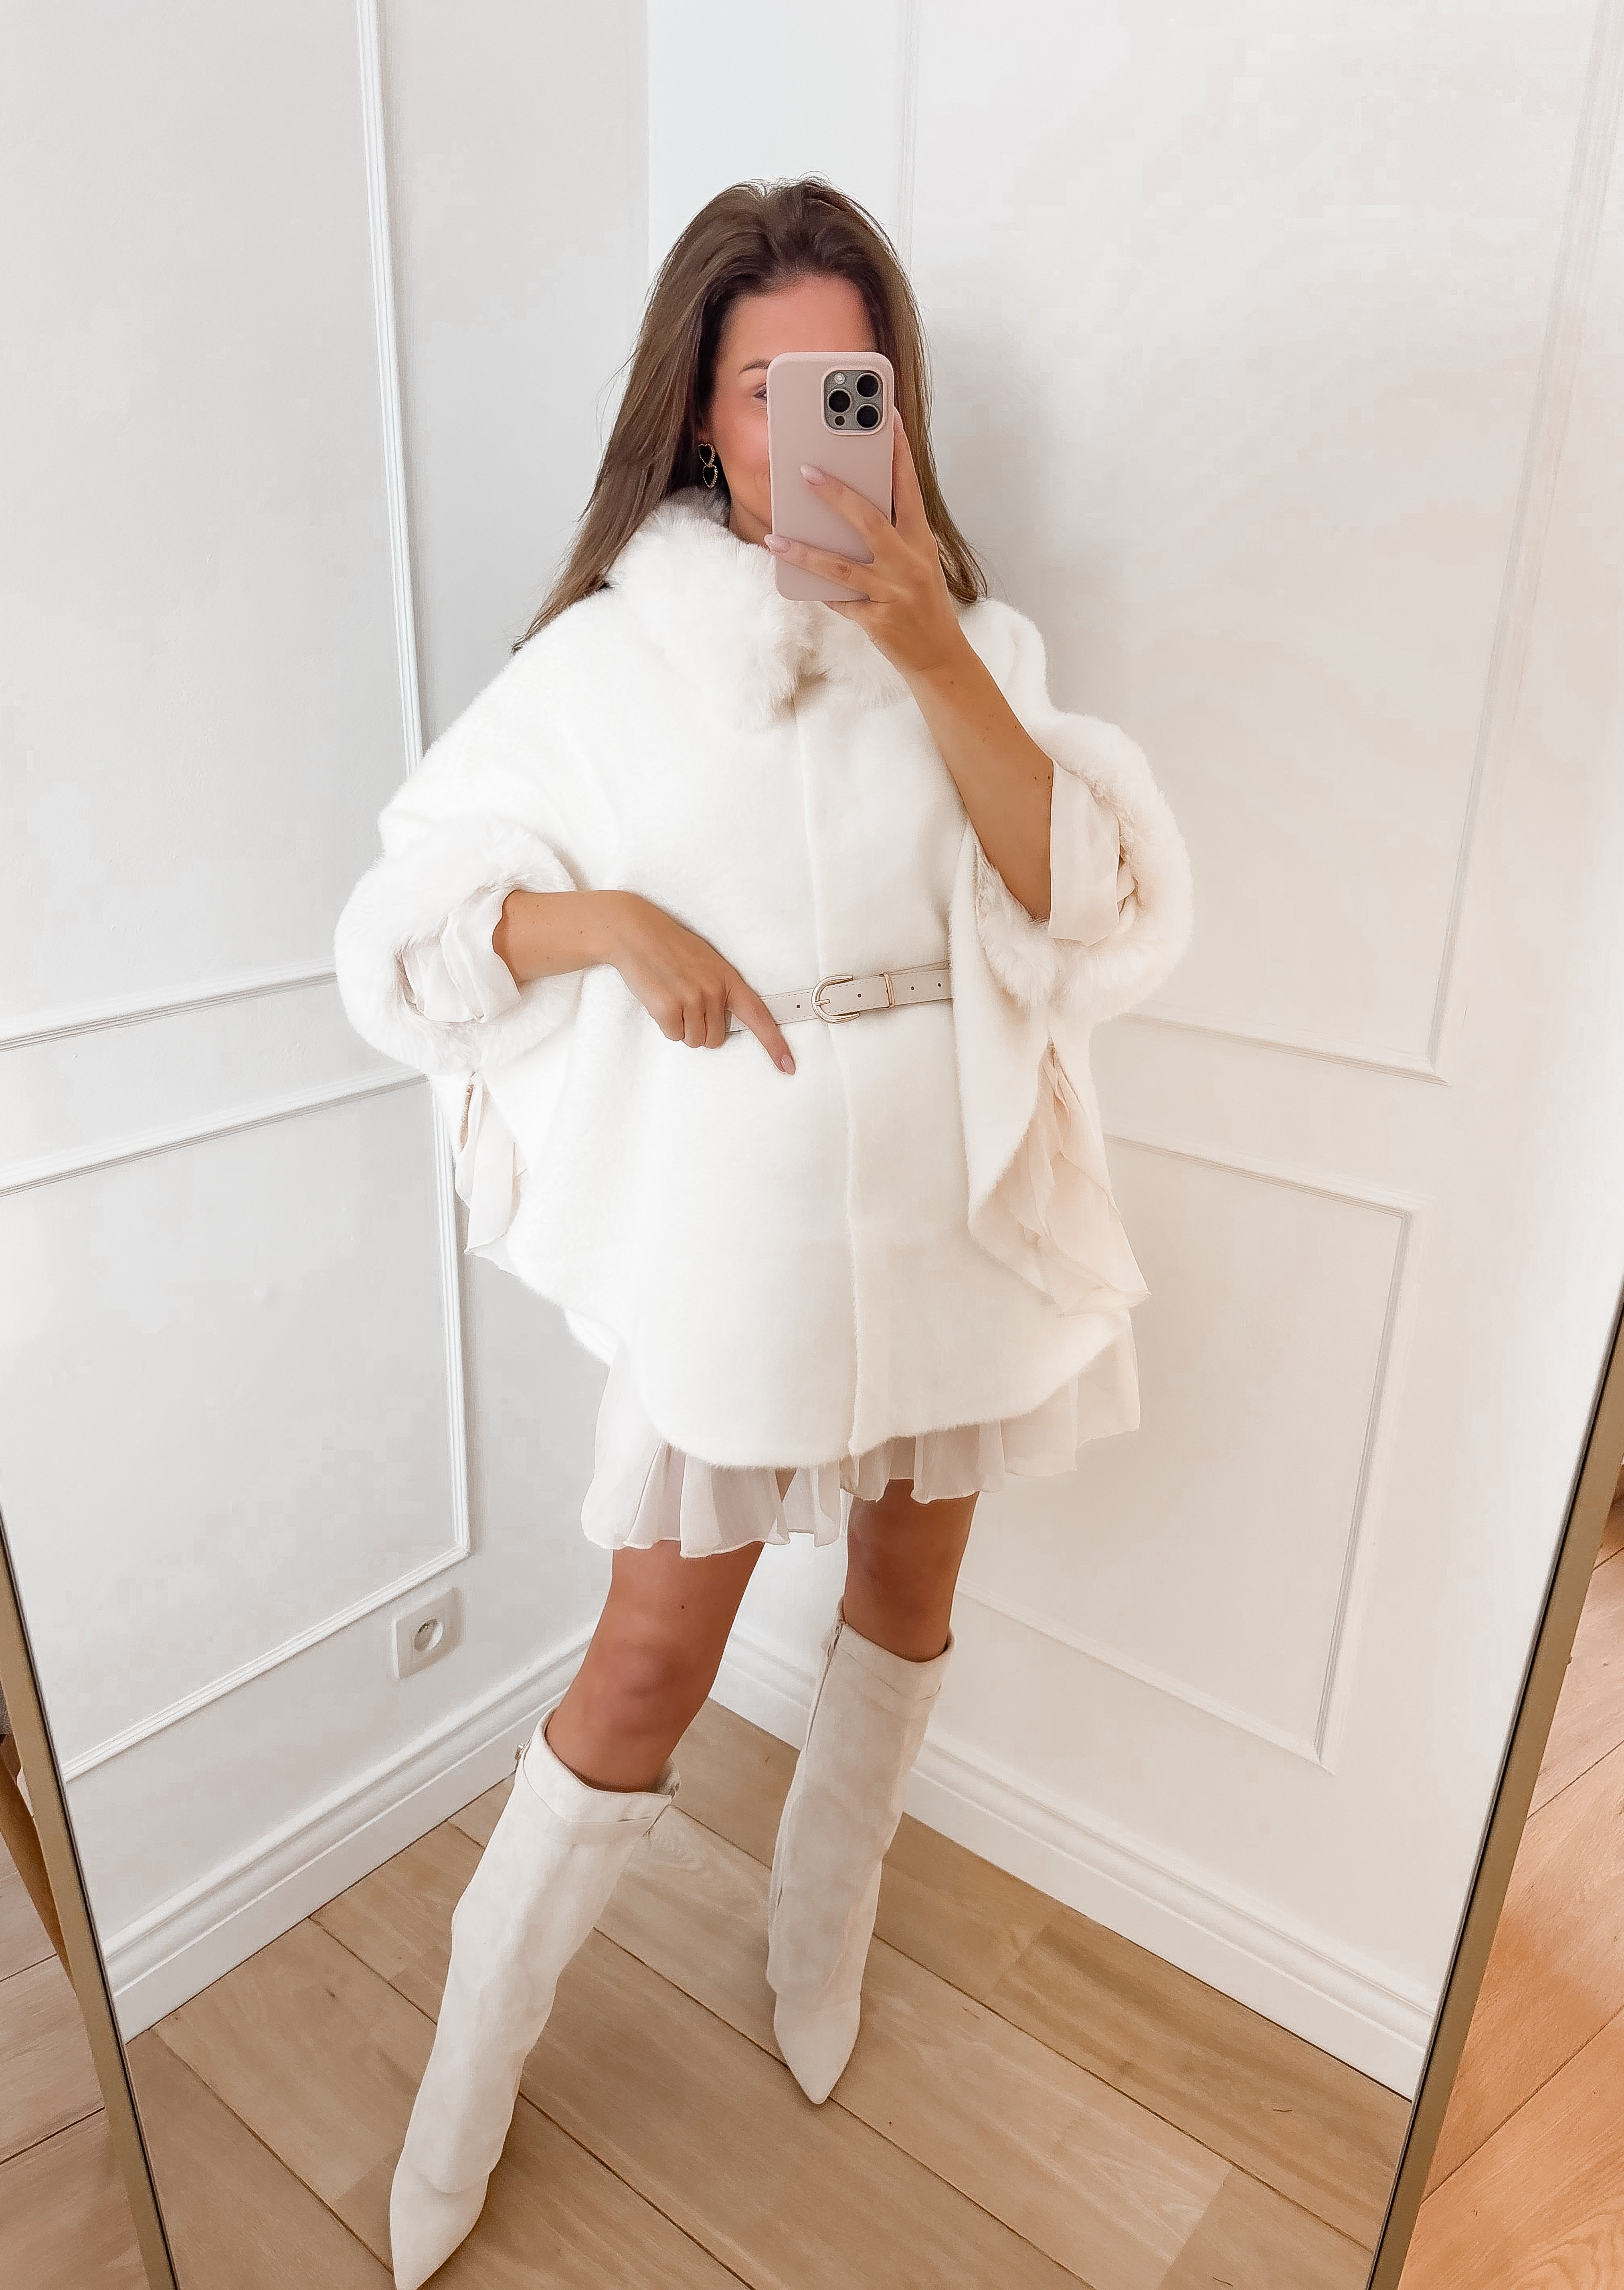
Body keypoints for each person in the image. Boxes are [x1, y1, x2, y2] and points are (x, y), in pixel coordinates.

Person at [335, 176, 1191, 2289]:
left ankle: (823, 1930)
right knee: (649, 1657)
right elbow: (399, 938)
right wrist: (602, 924)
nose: (810, 425)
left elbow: (1082, 907)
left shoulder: (979, 645)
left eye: (848, 384)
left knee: (906, 1599)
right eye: (763, 387)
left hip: (951, 1214)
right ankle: (462, 2087)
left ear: (892, 404)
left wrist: (928, 651)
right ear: (703, 416)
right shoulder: (599, 665)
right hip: (735, 1238)